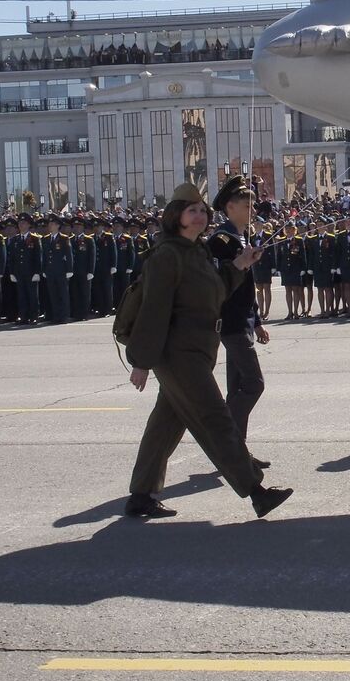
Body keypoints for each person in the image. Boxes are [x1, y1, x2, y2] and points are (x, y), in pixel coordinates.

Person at [124, 182, 292, 519]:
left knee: (165, 424)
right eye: (191, 210)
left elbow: (215, 293)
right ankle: (256, 491)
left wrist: (240, 265)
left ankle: (141, 495)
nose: (199, 216)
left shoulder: (197, 251)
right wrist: (141, 362)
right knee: (217, 419)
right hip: (178, 354)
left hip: (198, 350)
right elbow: (154, 311)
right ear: (176, 217)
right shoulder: (166, 254)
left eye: (202, 210)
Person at [209, 175, 273, 467]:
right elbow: (221, 284)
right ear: (230, 206)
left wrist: (257, 320)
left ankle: (237, 452)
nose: (252, 210)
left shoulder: (242, 237)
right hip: (231, 321)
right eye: (246, 205)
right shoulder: (221, 240)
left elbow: (248, 285)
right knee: (254, 384)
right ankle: (221, 436)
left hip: (244, 320)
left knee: (238, 387)